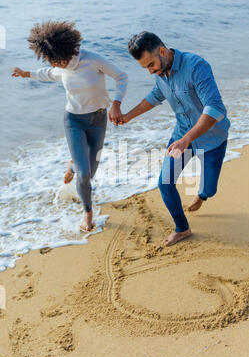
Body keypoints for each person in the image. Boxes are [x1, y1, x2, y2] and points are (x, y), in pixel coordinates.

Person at [12, 20, 128, 232]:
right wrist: (25, 73)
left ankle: (72, 165)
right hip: (73, 121)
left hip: (98, 121)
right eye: (50, 60)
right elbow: (47, 74)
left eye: (56, 60)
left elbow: (121, 76)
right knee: (85, 175)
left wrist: (117, 104)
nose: (54, 64)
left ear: (66, 51)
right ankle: (87, 212)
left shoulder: (92, 60)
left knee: (88, 173)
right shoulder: (59, 66)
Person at [121, 31, 230, 246]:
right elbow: (155, 96)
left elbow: (215, 108)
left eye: (151, 64)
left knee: (210, 188)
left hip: (213, 138)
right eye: (146, 68)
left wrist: (187, 139)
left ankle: (203, 195)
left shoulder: (196, 66)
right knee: (165, 183)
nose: (151, 71)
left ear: (162, 51)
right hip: (182, 133)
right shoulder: (161, 74)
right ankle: (182, 228)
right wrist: (127, 116)